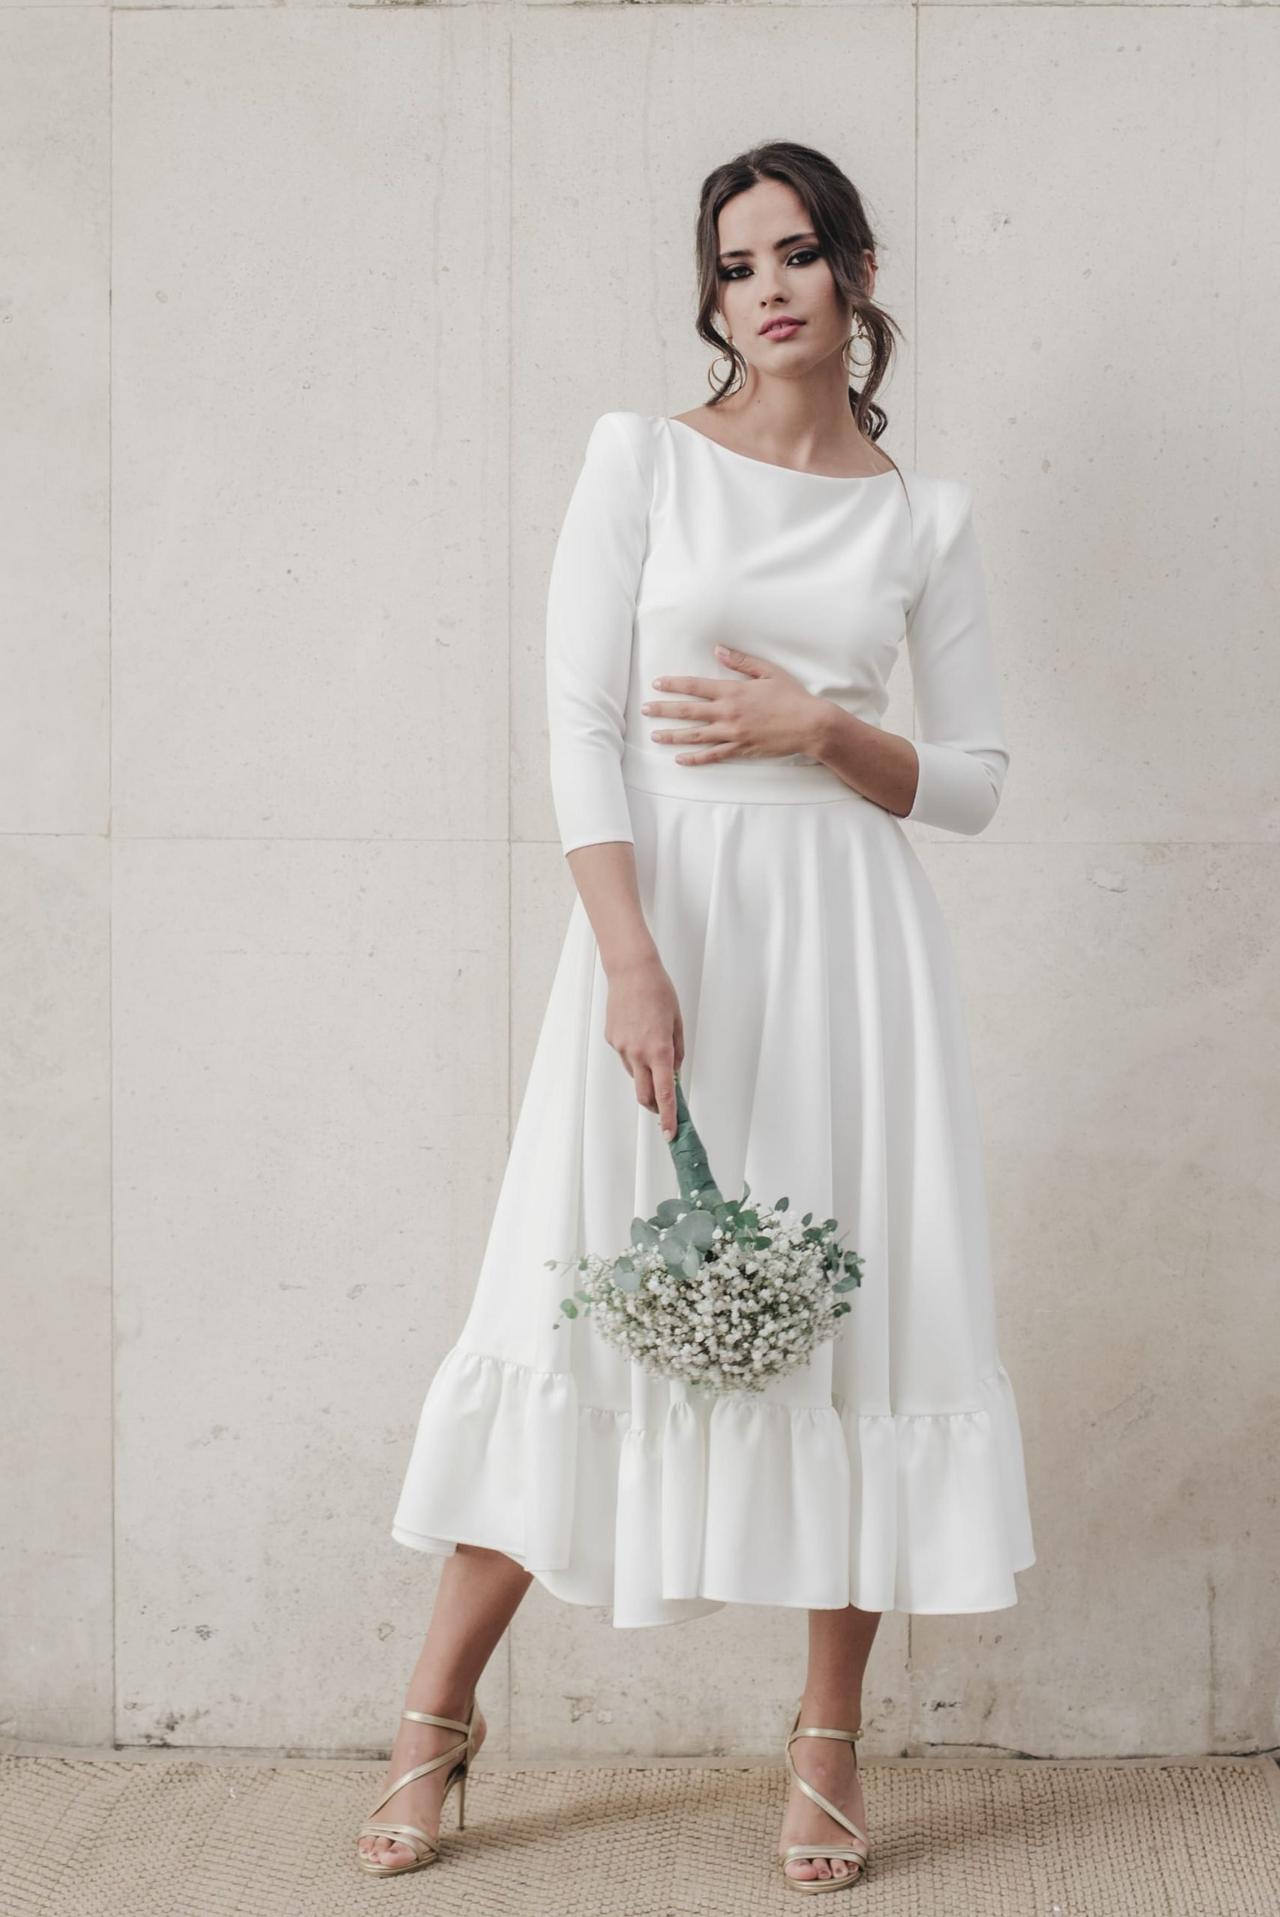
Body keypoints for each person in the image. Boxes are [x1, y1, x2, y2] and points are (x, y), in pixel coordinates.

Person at [357, 138, 1036, 1893]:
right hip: (668, 921)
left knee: (852, 1328)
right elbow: (581, 717)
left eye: (802, 251)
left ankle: (825, 1743)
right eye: (738, 264)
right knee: (577, 1298)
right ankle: (435, 1712)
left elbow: (968, 784)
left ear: (858, 269)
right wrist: (629, 953)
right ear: (713, 293)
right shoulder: (642, 460)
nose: (773, 285)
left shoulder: (922, 513)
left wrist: (825, 729)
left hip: (854, 955)